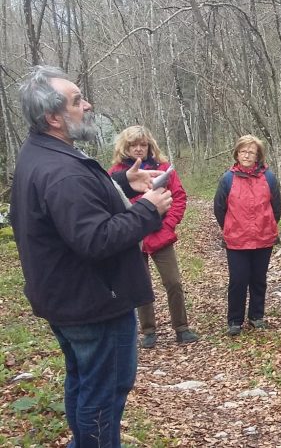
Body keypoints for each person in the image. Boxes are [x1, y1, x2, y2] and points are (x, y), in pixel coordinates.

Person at [11, 65, 172, 447]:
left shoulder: (44, 153)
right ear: (53, 117)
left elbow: (71, 210)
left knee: (84, 381)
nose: (88, 105)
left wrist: (119, 183)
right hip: (94, 303)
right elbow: (94, 238)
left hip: (69, 299)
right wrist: (148, 209)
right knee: (104, 394)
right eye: (77, 100)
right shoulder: (61, 170)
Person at [108, 126, 200, 348]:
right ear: (125, 147)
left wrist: (168, 225)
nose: (138, 149)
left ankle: (182, 328)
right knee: (141, 284)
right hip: (132, 237)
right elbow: (110, 206)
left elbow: (178, 198)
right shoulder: (115, 174)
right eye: (133, 145)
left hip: (160, 235)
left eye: (143, 144)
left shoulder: (164, 169)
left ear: (150, 146)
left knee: (174, 282)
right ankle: (148, 331)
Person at [214, 135, 281, 337]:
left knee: (259, 279)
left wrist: (268, 224)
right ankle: (234, 320)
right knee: (238, 279)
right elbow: (219, 208)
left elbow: (276, 207)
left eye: (251, 152)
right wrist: (229, 227)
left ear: (258, 156)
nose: (246, 155)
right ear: (237, 154)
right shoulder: (228, 179)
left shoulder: (268, 178)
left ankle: (256, 316)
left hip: (264, 237)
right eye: (243, 151)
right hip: (236, 239)